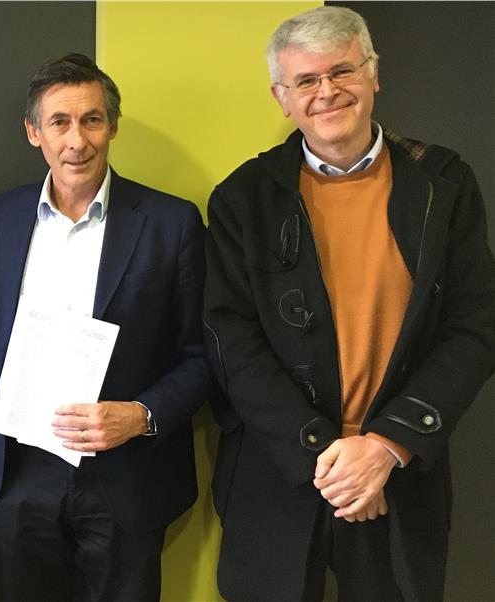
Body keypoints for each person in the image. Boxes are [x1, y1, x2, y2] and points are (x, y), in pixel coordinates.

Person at [203, 7, 495, 601]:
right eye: (306, 80)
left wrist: (386, 445)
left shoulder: (443, 184)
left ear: (374, 74)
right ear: (282, 97)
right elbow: (229, 339)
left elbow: (475, 324)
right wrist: (326, 454)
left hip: (400, 474)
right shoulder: (242, 198)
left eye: (342, 71)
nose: (327, 91)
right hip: (277, 475)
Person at [0, 53, 211, 601]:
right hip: (19, 473)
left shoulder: (172, 223)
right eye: (59, 122)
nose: (76, 141)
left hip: (126, 474)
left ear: (113, 126)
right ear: (34, 132)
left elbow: (203, 355)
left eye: (92, 120)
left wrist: (141, 415)